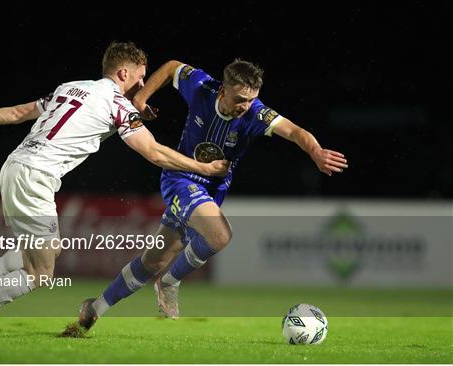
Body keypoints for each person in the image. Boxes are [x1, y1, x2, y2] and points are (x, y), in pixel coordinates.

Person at [0, 43, 229, 334]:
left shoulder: (70, 87)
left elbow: (19, 112)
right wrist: (203, 168)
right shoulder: (118, 104)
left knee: (48, 249)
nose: (143, 84)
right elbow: (154, 152)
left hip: (15, 166)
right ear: (124, 72)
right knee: (40, 272)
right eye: (140, 77)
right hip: (36, 177)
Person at [63, 58, 348, 336]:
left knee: (154, 261)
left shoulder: (255, 114)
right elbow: (172, 66)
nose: (244, 107)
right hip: (180, 178)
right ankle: (170, 282)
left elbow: (296, 132)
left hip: (211, 191)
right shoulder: (201, 86)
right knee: (220, 234)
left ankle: (95, 308)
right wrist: (140, 99)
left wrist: (316, 152)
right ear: (223, 90)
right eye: (239, 99)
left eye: (250, 100)